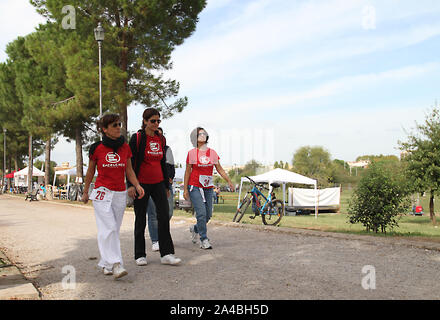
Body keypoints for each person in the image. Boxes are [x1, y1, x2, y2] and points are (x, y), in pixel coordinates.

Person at [82, 113, 145, 280]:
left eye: (119, 124)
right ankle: (117, 264)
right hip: (102, 192)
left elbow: (129, 170)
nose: (119, 128)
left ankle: (106, 263)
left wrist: (137, 185)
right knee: (108, 227)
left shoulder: (125, 147)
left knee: (113, 229)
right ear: (104, 129)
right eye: (114, 125)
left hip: (119, 193)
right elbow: (90, 171)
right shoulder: (97, 148)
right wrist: (85, 191)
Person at [127, 108, 181, 266]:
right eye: (153, 121)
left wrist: (166, 185)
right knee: (141, 218)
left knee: (164, 217)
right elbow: (129, 164)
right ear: (145, 121)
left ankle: (167, 254)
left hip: (158, 182)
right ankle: (139, 255)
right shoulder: (137, 138)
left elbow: (163, 163)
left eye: (158, 121)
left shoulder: (161, 139)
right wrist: (131, 184)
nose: (156, 124)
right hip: (141, 184)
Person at [184, 127, 234, 249]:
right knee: (201, 213)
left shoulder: (212, 153)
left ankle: (195, 228)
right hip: (195, 186)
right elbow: (187, 172)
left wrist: (229, 181)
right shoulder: (191, 153)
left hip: (208, 187)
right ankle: (204, 239)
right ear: (194, 138)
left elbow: (220, 169)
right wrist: (185, 189)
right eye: (200, 133)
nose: (203, 135)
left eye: (204, 133)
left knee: (208, 215)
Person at [146, 127, 175, 252]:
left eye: (159, 134)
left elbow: (171, 166)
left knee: (168, 213)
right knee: (153, 214)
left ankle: (161, 234)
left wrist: (169, 178)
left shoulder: (167, 149)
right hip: (150, 183)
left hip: (165, 184)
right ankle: (156, 240)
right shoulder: (146, 146)